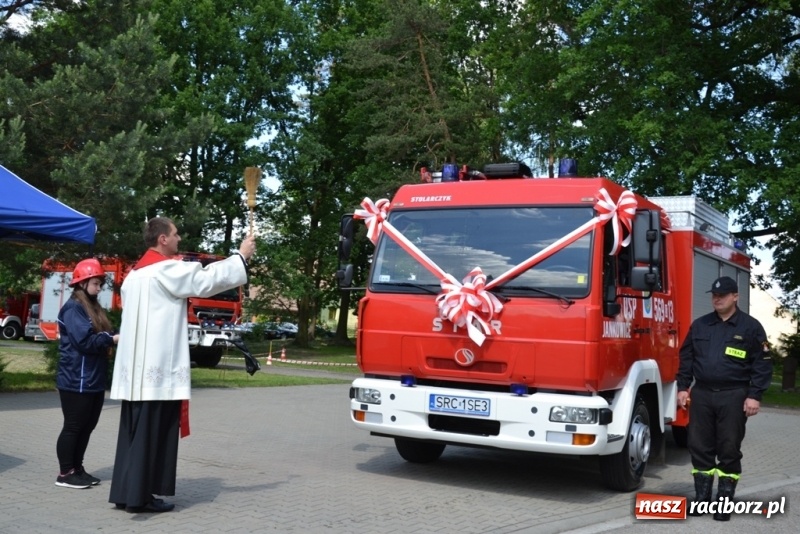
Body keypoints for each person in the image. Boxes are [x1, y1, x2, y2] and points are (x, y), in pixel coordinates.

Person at [108, 217, 255, 513]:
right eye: (175, 234)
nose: (179, 239)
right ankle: (140, 497)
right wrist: (241, 256)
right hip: (158, 371)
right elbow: (207, 279)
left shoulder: (134, 275)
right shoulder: (165, 270)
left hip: (135, 370)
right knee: (151, 434)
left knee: (133, 433)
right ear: (162, 239)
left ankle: (126, 492)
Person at [676, 276, 773, 521]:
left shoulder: (751, 327)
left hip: (734, 395)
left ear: (735, 297)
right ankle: (702, 500)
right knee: (699, 446)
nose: (717, 299)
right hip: (702, 394)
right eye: (714, 295)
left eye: (722, 295)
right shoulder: (700, 325)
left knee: (729, 447)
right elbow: (687, 358)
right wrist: (683, 387)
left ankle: (724, 503)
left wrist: (754, 395)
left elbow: (762, 364)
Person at [55, 258, 120, 489]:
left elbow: (101, 335)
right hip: (76, 379)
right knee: (74, 426)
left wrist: (114, 335)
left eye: (100, 283)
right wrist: (112, 339)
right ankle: (65, 473)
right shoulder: (73, 308)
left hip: (92, 378)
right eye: (95, 283)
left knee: (87, 425)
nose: (99, 288)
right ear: (82, 283)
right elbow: (85, 341)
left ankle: (77, 469)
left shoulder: (90, 307)